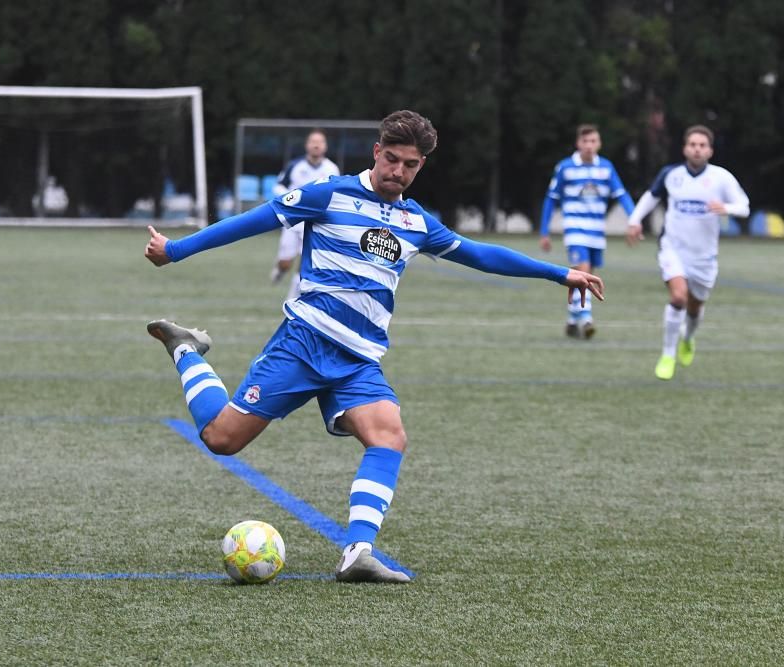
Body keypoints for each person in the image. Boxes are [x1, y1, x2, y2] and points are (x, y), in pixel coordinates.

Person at [144, 110, 604, 583]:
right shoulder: (329, 194)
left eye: (410, 165)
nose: (398, 172)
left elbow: (481, 254)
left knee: (389, 435)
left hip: (359, 359)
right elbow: (251, 222)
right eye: (392, 160)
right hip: (303, 343)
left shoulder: (416, 221)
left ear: (420, 166)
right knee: (222, 440)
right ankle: (185, 350)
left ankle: (357, 551)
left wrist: (558, 272)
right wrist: (176, 250)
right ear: (376, 152)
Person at [625, 124, 749, 380]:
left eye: (702, 145)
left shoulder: (721, 177)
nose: (697, 149)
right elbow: (651, 197)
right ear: (684, 148)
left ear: (710, 151)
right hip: (673, 248)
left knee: (694, 308)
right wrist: (635, 220)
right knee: (679, 297)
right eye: (692, 144)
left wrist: (726, 208)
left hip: (704, 255)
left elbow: (744, 206)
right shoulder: (671, 175)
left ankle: (688, 338)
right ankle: (668, 354)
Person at [539, 124, 635, 339]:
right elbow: (551, 200)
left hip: (597, 232)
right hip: (575, 230)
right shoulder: (565, 167)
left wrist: (634, 220)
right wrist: (544, 231)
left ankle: (572, 319)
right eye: (585, 141)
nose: (589, 146)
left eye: (593, 141)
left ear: (599, 144)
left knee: (588, 275)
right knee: (582, 269)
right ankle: (586, 319)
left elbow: (621, 194)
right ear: (578, 143)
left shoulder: (606, 168)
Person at [270, 129, 340, 300]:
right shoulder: (295, 166)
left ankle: (292, 299)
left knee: (304, 263)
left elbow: (336, 194)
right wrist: (291, 198)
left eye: (320, 142)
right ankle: (279, 270)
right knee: (286, 262)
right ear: (307, 145)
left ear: (325, 146)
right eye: (313, 141)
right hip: (293, 222)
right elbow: (278, 187)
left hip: (315, 223)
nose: (316, 145)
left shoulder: (332, 169)